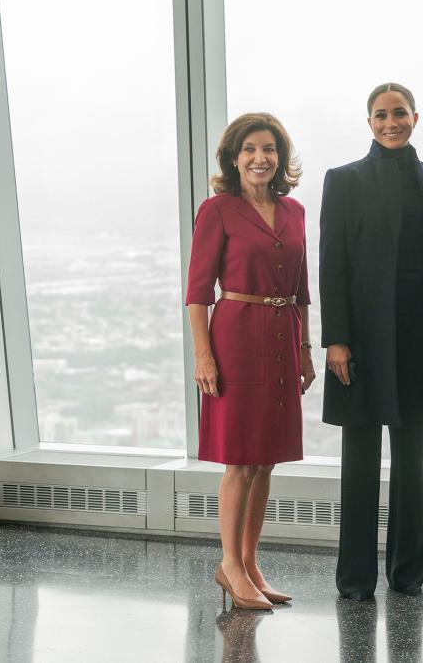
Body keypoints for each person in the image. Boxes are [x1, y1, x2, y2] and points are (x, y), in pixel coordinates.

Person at [320, 83, 423, 600]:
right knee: (359, 459)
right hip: (362, 338)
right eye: (381, 115)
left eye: (399, 113)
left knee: (410, 458)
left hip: (421, 336)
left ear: (415, 118)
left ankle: (407, 575)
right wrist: (336, 340)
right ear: (369, 122)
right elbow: (332, 266)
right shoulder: (344, 180)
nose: (390, 122)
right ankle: (355, 580)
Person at [186, 113, 315, 610]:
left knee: (266, 461)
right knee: (240, 460)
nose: (260, 158)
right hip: (236, 338)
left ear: (281, 158)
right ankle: (230, 567)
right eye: (250, 150)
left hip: (284, 337)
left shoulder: (295, 210)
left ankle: (249, 561)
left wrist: (305, 349)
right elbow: (198, 293)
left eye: (270, 149)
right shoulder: (217, 210)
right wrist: (204, 355)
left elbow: (302, 290)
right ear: (234, 159)